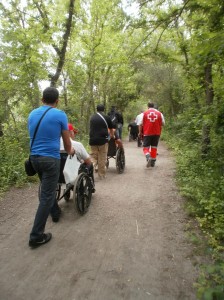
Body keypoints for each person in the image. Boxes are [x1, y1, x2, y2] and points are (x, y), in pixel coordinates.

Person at [28, 87, 75, 248]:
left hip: (34, 159)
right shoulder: (60, 114)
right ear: (57, 101)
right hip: (50, 159)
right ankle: (36, 236)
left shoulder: (32, 114)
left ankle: (55, 212)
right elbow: (67, 140)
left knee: (47, 190)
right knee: (47, 195)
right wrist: (70, 151)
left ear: (42, 99)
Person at [60, 123, 95, 192]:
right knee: (90, 165)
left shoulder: (54, 145)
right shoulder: (77, 145)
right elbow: (88, 162)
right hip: (73, 173)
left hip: (58, 174)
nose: (74, 135)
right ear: (70, 133)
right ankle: (90, 186)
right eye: (73, 132)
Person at [89, 104, 114, 179]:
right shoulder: (106, 117)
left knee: (93, 157)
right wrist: (112, 136)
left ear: (97, 109)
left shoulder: (92, 117)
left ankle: (90, 171)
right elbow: (111, 128)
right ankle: (101, 175)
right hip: (102, 140)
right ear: (103, 109)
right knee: (102, 157)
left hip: (92, 140)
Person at [139, 102, 165, 167]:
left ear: (148, 106)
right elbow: (163, 123)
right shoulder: (160, 114)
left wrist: (140, 132)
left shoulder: (144, 114)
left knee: (145, 148)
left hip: (147, 133)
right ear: (154, 106)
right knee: (154, 147)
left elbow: (140, 124)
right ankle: (153, 162)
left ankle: (148, 157)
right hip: (156, 133)